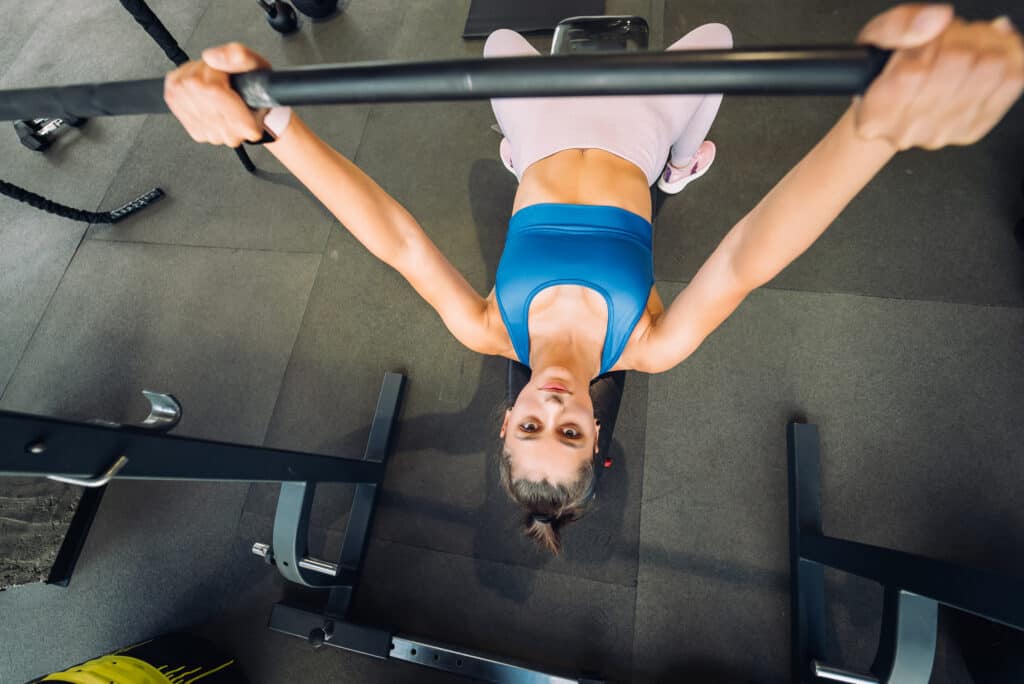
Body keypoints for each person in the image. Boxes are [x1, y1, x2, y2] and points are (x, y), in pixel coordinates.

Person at [164, 4, 1023, 553]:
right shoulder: (651, 343)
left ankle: (532, 150)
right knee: (717, 42)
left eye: (531, 423)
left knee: (502, 43)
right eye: (570, 432)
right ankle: (681, 165)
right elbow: (754, 253)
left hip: (540, 149)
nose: (555, 405)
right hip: (633, 143)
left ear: (504, 420)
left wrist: (277, 125)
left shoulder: (486, 329)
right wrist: (872, 132)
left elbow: (390, 237)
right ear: (594, 439)